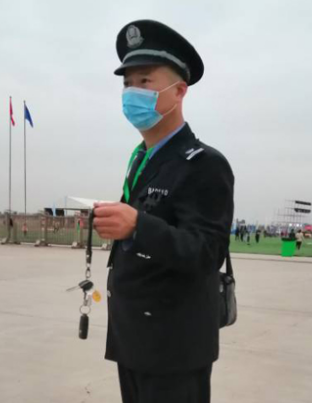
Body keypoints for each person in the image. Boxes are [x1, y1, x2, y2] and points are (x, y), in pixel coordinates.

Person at [93, 20, 234, 403]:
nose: (132, 92)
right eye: (127, 83)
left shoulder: (204, 164)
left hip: (174, 348)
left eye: (145, 81)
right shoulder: (142, 158)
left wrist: (137, 226)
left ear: (179, 90)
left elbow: (207, 252)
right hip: (134, 337)